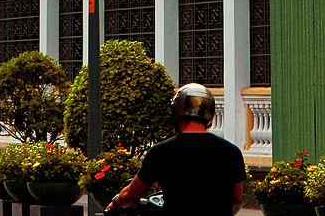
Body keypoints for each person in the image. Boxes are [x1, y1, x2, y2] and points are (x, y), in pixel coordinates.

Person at [104, 85, 247, 216]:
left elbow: (131, 195)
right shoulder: (232, 152)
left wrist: (115, 203)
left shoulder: (160, 152)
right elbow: (237, 198)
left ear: (176, 114)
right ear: (209, 116)